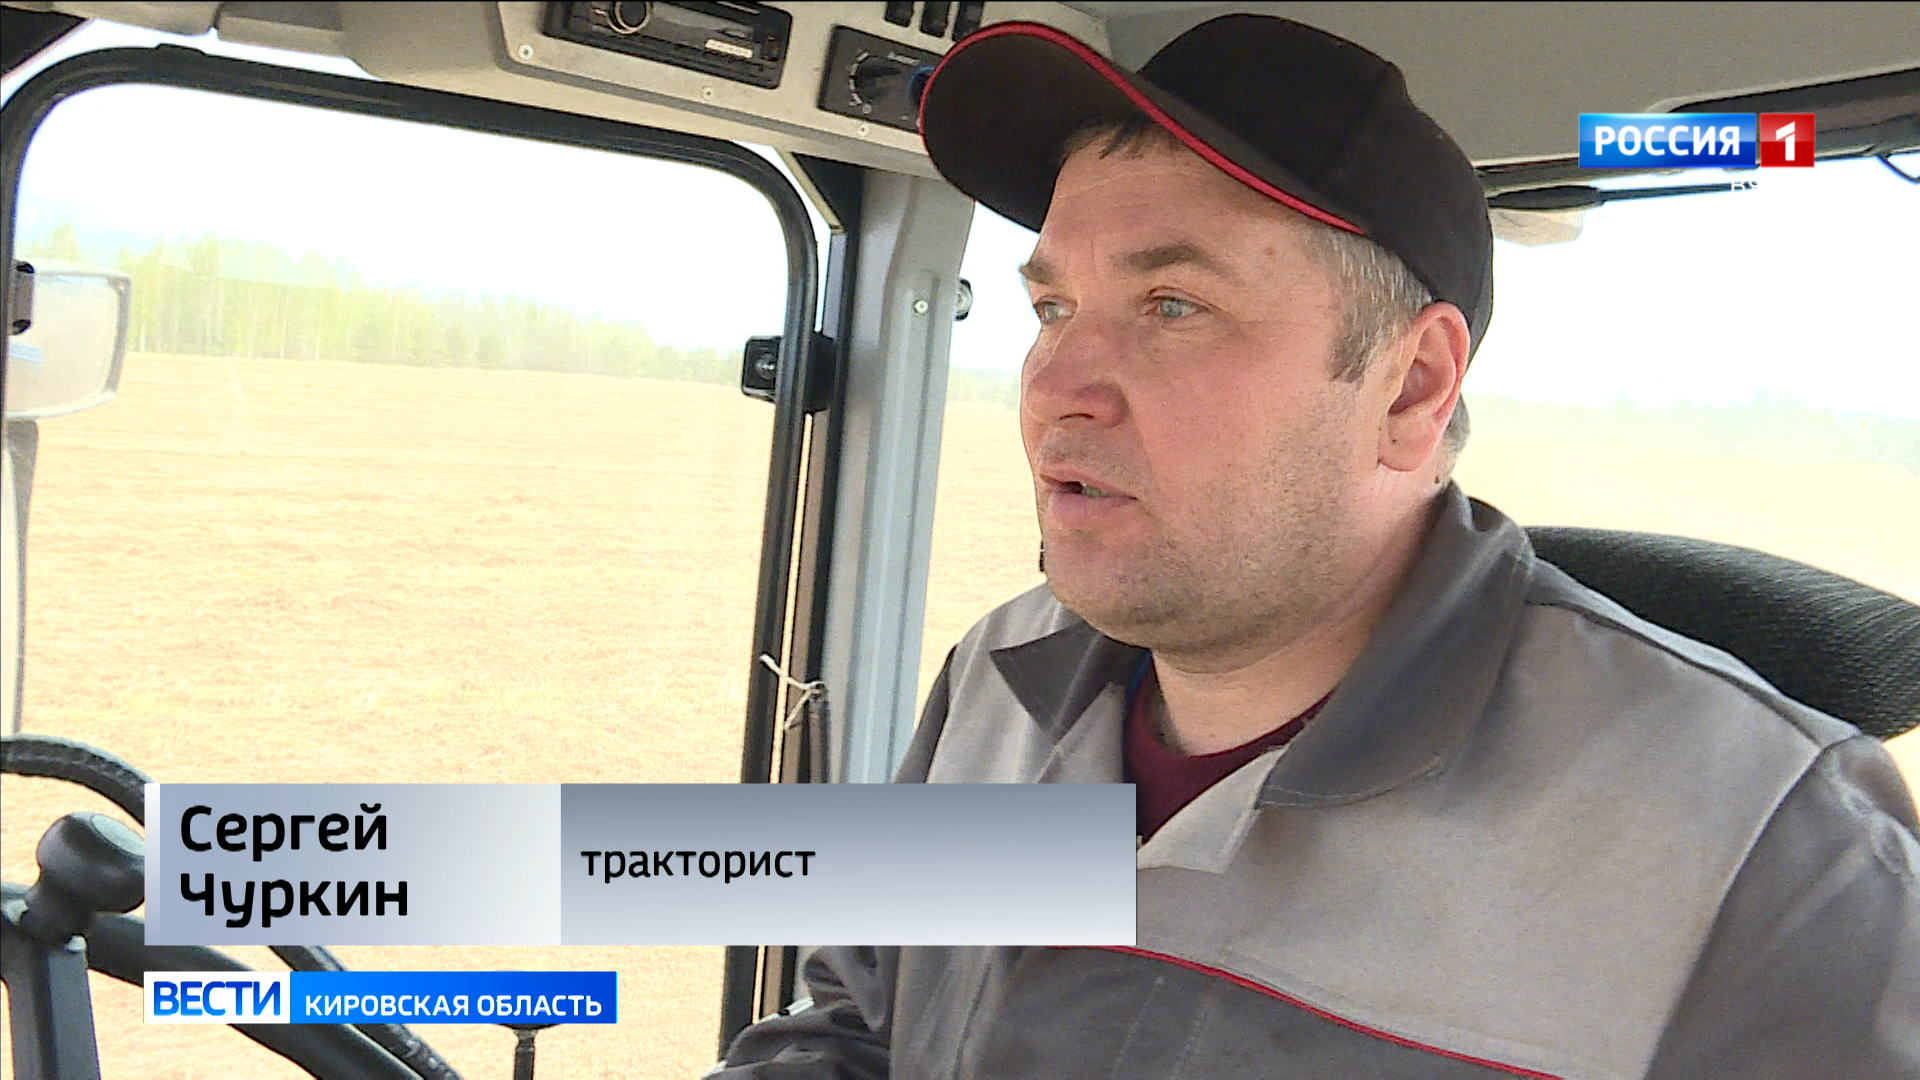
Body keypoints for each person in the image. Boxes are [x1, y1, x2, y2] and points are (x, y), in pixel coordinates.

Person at [715, 14, 1920, 1079]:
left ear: (1412, 385)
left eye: (1173, 305)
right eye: (1053, 307)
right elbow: (864, 1027)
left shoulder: (1769, 855)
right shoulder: (1001, 676)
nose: (1054, 386)